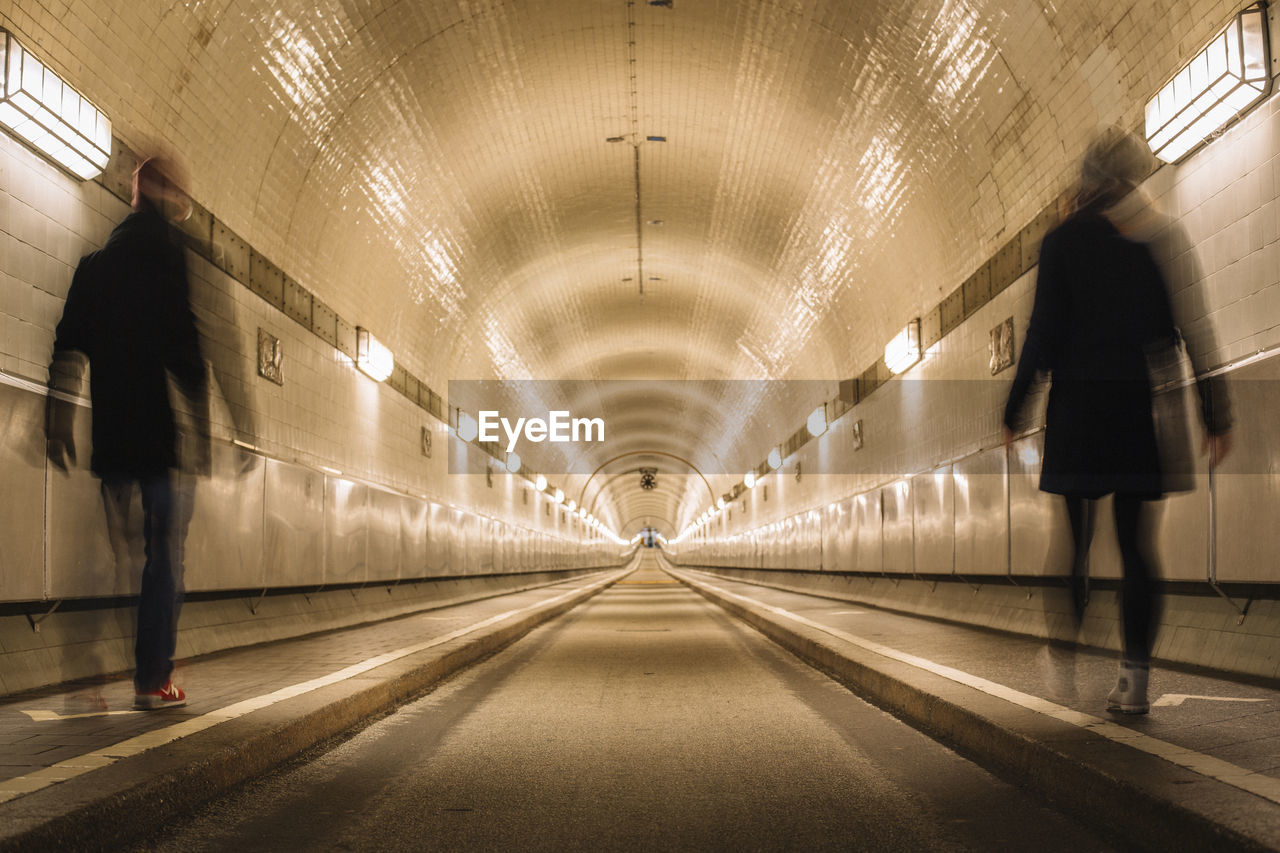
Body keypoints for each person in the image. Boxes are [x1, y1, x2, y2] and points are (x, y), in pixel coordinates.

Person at [1003, 127, 1233, 714]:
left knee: (1076, 543)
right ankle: (1134, 679)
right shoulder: (1159, 235)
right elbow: (1193, 328)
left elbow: (1041, 335)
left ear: (1086, 181)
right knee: (1136, 547)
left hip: (1078, 412)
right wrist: (1215, 411)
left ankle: (1063, 653)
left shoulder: (1061, 244)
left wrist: (1016, 408)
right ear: (1133, 176)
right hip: (1140, 410)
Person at [46, 156, 208, 710]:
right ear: (167, 197)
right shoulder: (167, 257)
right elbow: (186, 346)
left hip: (110, 441)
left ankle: (100, 664)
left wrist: (57, 420)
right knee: (163, 558)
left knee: (123, 556)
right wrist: (203, 426)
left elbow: (66, 345)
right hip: (157, 441)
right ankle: (152, 676)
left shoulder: (95, 265)